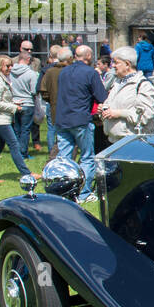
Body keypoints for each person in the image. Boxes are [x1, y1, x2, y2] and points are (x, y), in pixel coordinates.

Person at [54, 45, 108, 204]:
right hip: (81, 119)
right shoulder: (90, 72)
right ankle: (83, 193)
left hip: (63, 118)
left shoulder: (64, 71)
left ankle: (62, 190)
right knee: (87, 157)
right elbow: (101, 96)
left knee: (64, 158)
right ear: (89, 56)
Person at [0, 55, 35, 186]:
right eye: (7, 66)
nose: (10, 68)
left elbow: (3, 99)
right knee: (14, 145)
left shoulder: (3, 79)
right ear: (0, 66)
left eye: (11, 65)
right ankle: (26, 173)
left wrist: (14, 102)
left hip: (3, 118)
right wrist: (14, 107)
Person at [99, 46, 154, 143]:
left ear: (127, 64)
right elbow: (110, 105)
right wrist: (104, 109)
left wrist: (118, 113)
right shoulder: (116, 84)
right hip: (114, 142)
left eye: (116, 62)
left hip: (134, 143)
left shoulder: (143, 86)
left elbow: (144, 116)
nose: (113, 66)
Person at [38, 46, 69, 158]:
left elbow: (41, 88)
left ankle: (52, 152)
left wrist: (50, 100)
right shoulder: (69, 69)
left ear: (50, 55)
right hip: (65, 104)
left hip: (52, 104)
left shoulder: (47, 70)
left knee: (52, 129)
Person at [9, 51, 39, 159]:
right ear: (28, 60)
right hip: (27, 103)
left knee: (16, 129)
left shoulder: (10, 72)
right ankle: (23, 153)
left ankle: (16, 152)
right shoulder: (31, 73)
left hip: (15, 102)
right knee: (25, 130)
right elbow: (34, 91)